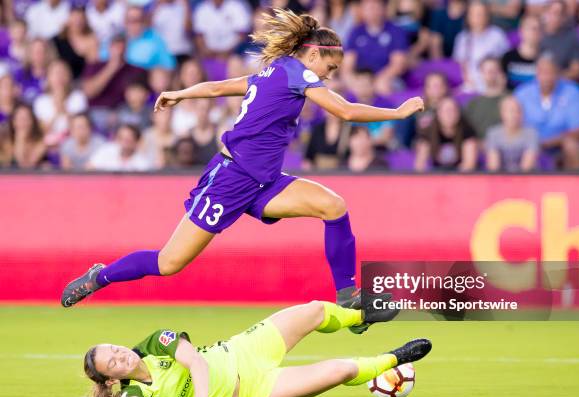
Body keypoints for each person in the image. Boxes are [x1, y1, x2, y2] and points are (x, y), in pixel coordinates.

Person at [60, 9, 425, 331]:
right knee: (169, 263)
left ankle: (348, 294)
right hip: (230, 180)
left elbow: (219, 87)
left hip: (264, 183)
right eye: (329, 69)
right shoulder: (298, 74)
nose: (328, 77)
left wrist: (181, 93)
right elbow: (344, 111)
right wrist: (396, 112)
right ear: (314, 53)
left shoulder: (275, 71)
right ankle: (100, 276)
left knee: (334, 206)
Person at [77, 299, 432, 397]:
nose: (121, 355)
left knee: (311, 312)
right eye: (114, 362)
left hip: (244, 349)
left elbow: (196, 362)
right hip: (256, 392)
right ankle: (394, 360)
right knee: (338, 370)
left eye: (115, 348)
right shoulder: (139, 394)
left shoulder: (155, 343)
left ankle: (360, 317)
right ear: (113, 378)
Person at [514, 55, 579, 170]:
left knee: (572, 145)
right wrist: (533, 144)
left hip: (560, 146)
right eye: (542, 72)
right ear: (536, 74)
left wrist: (547, 143)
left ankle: (573, 185)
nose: (546, 77)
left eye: (550, 72)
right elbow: (513, 124)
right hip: (529, 146)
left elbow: (578, 131)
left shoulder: (572, 92)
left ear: (558, 74)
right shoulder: (522, 93)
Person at [343, 0, 409, 96]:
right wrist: (353, 80)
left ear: (383, 9)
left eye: (375, 7)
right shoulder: (355, 32)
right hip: (361, 77)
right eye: (368, 8)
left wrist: (376, 80)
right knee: (334, 86)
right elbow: (347, 66)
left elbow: (398, 65)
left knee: (382, 86)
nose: (372, 11)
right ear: (362, 10)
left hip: (388, 78)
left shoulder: (396, 31)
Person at [452, 1, 509, 92]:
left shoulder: (497, 34)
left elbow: (505, 61)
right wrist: (469, 82)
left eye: (481, 14)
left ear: (487, 16)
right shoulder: (462, 38)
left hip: (493, 84)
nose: (478, 17)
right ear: (468, 17)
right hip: (470, 85)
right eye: (474, 14)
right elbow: (461, 64)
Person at [414, 96, 478, 172]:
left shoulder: (467, 131)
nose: (449, 115)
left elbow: (469, 165)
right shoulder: (428, 132)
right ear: (438, 113)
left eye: (453, 110)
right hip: (435, 177)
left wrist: (452, 180)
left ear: (458, 113)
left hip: (460, 177)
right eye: (446, 111)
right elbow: (420, 165)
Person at [485, 95, 539, 172]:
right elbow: (493, 166)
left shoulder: (531, 134)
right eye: (510, 111)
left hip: (526, 180)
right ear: (502, 113)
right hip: (499, 180)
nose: (514, 115)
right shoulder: (493, 134)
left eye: (518, 111)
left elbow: (526, 168)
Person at [464, 57, 508, 140]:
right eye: (488, 71)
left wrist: (502, 88)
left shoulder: (511, 99)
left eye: (495, 70)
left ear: (501, 73)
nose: (491, 74)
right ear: (481, 74)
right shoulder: (473, 104)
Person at [540, 0, 579, 82]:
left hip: (560, 84)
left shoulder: (572, 39)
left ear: (563, 18)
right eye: (549, 11)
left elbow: (577, 71)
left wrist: (551, 77)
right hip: (532, 83)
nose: (551, 16)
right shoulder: (535, 32)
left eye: (556, 13)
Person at [87, 123, 153, 172]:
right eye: (121, 138)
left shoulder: (143, 162)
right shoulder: (106, 150)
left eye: (128, 140)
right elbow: (89, 168)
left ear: (136, 142)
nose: (124, 143)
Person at [501, 15, 541, 90]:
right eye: (529, 28)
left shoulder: (546, 59)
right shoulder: (508, 57)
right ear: (521, 31)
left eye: (537, 28)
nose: (534, 32)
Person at [3, 102, 46, 169]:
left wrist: (21, 139)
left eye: (26, 119)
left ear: (32, 121)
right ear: (13, 122)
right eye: (20, 119)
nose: (23, 123)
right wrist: (19, 139)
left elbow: (25, 166)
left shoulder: (40, 141)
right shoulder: (6, 140)